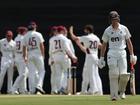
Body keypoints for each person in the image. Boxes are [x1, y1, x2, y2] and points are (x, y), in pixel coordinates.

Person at [99, 11, 137, 100]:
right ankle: (114, 95)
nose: (114, 21)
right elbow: (104, 44)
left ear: (118, 19)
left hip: (122, 53)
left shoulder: (124, 28)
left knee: (124, 75)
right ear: (110, 20)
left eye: (116, 19)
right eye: (113, 20)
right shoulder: (107, 30)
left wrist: (132, 55)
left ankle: (122, 91)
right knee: (113, 74)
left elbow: (129, 42)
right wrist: (101, 58)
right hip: (111, 53)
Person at [69, 25, 103, 95]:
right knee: (92, 74)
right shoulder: (96, 38)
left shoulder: (86, 37)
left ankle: (94, 90)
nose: (84, 31)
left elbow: (74, 38)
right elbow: (101, 46)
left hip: (90, 57)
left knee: (91, 74)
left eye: (85, 30)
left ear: (87, 30)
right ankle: (96, 90)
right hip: (95, 56)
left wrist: (71, 31)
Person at [49, 25, 77, 94]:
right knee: (67, 73)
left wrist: (51, 59)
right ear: (61, 31)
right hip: (63, 55)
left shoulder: (52, 39)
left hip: (55, 56)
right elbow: (67, 49)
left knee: (58, 74)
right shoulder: (64, 39)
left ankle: (59, 89)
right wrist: (73, 57)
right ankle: (62, 87)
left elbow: (50, 51)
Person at [23, 21, 45, 94]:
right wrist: (43, 55)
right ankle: (39, 85)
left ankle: (31, 90)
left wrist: (25, 57)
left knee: (31, 73)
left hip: (29, 54)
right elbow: (42, 46)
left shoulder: (25, 35)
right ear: (35, 27)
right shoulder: (38, 34)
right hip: (37, 54)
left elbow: (24, 48)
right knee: (42, 71)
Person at [12, 26, 29, 94]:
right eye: (25, 31)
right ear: (24, 32)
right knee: (22, 74)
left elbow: (14, 50)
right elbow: (25, 48)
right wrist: (25, 57)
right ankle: (14, 88)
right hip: (22, 57)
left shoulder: (16, 38)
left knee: (25, 73)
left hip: (17, 57)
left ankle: (23, 90)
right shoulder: (24, 38)